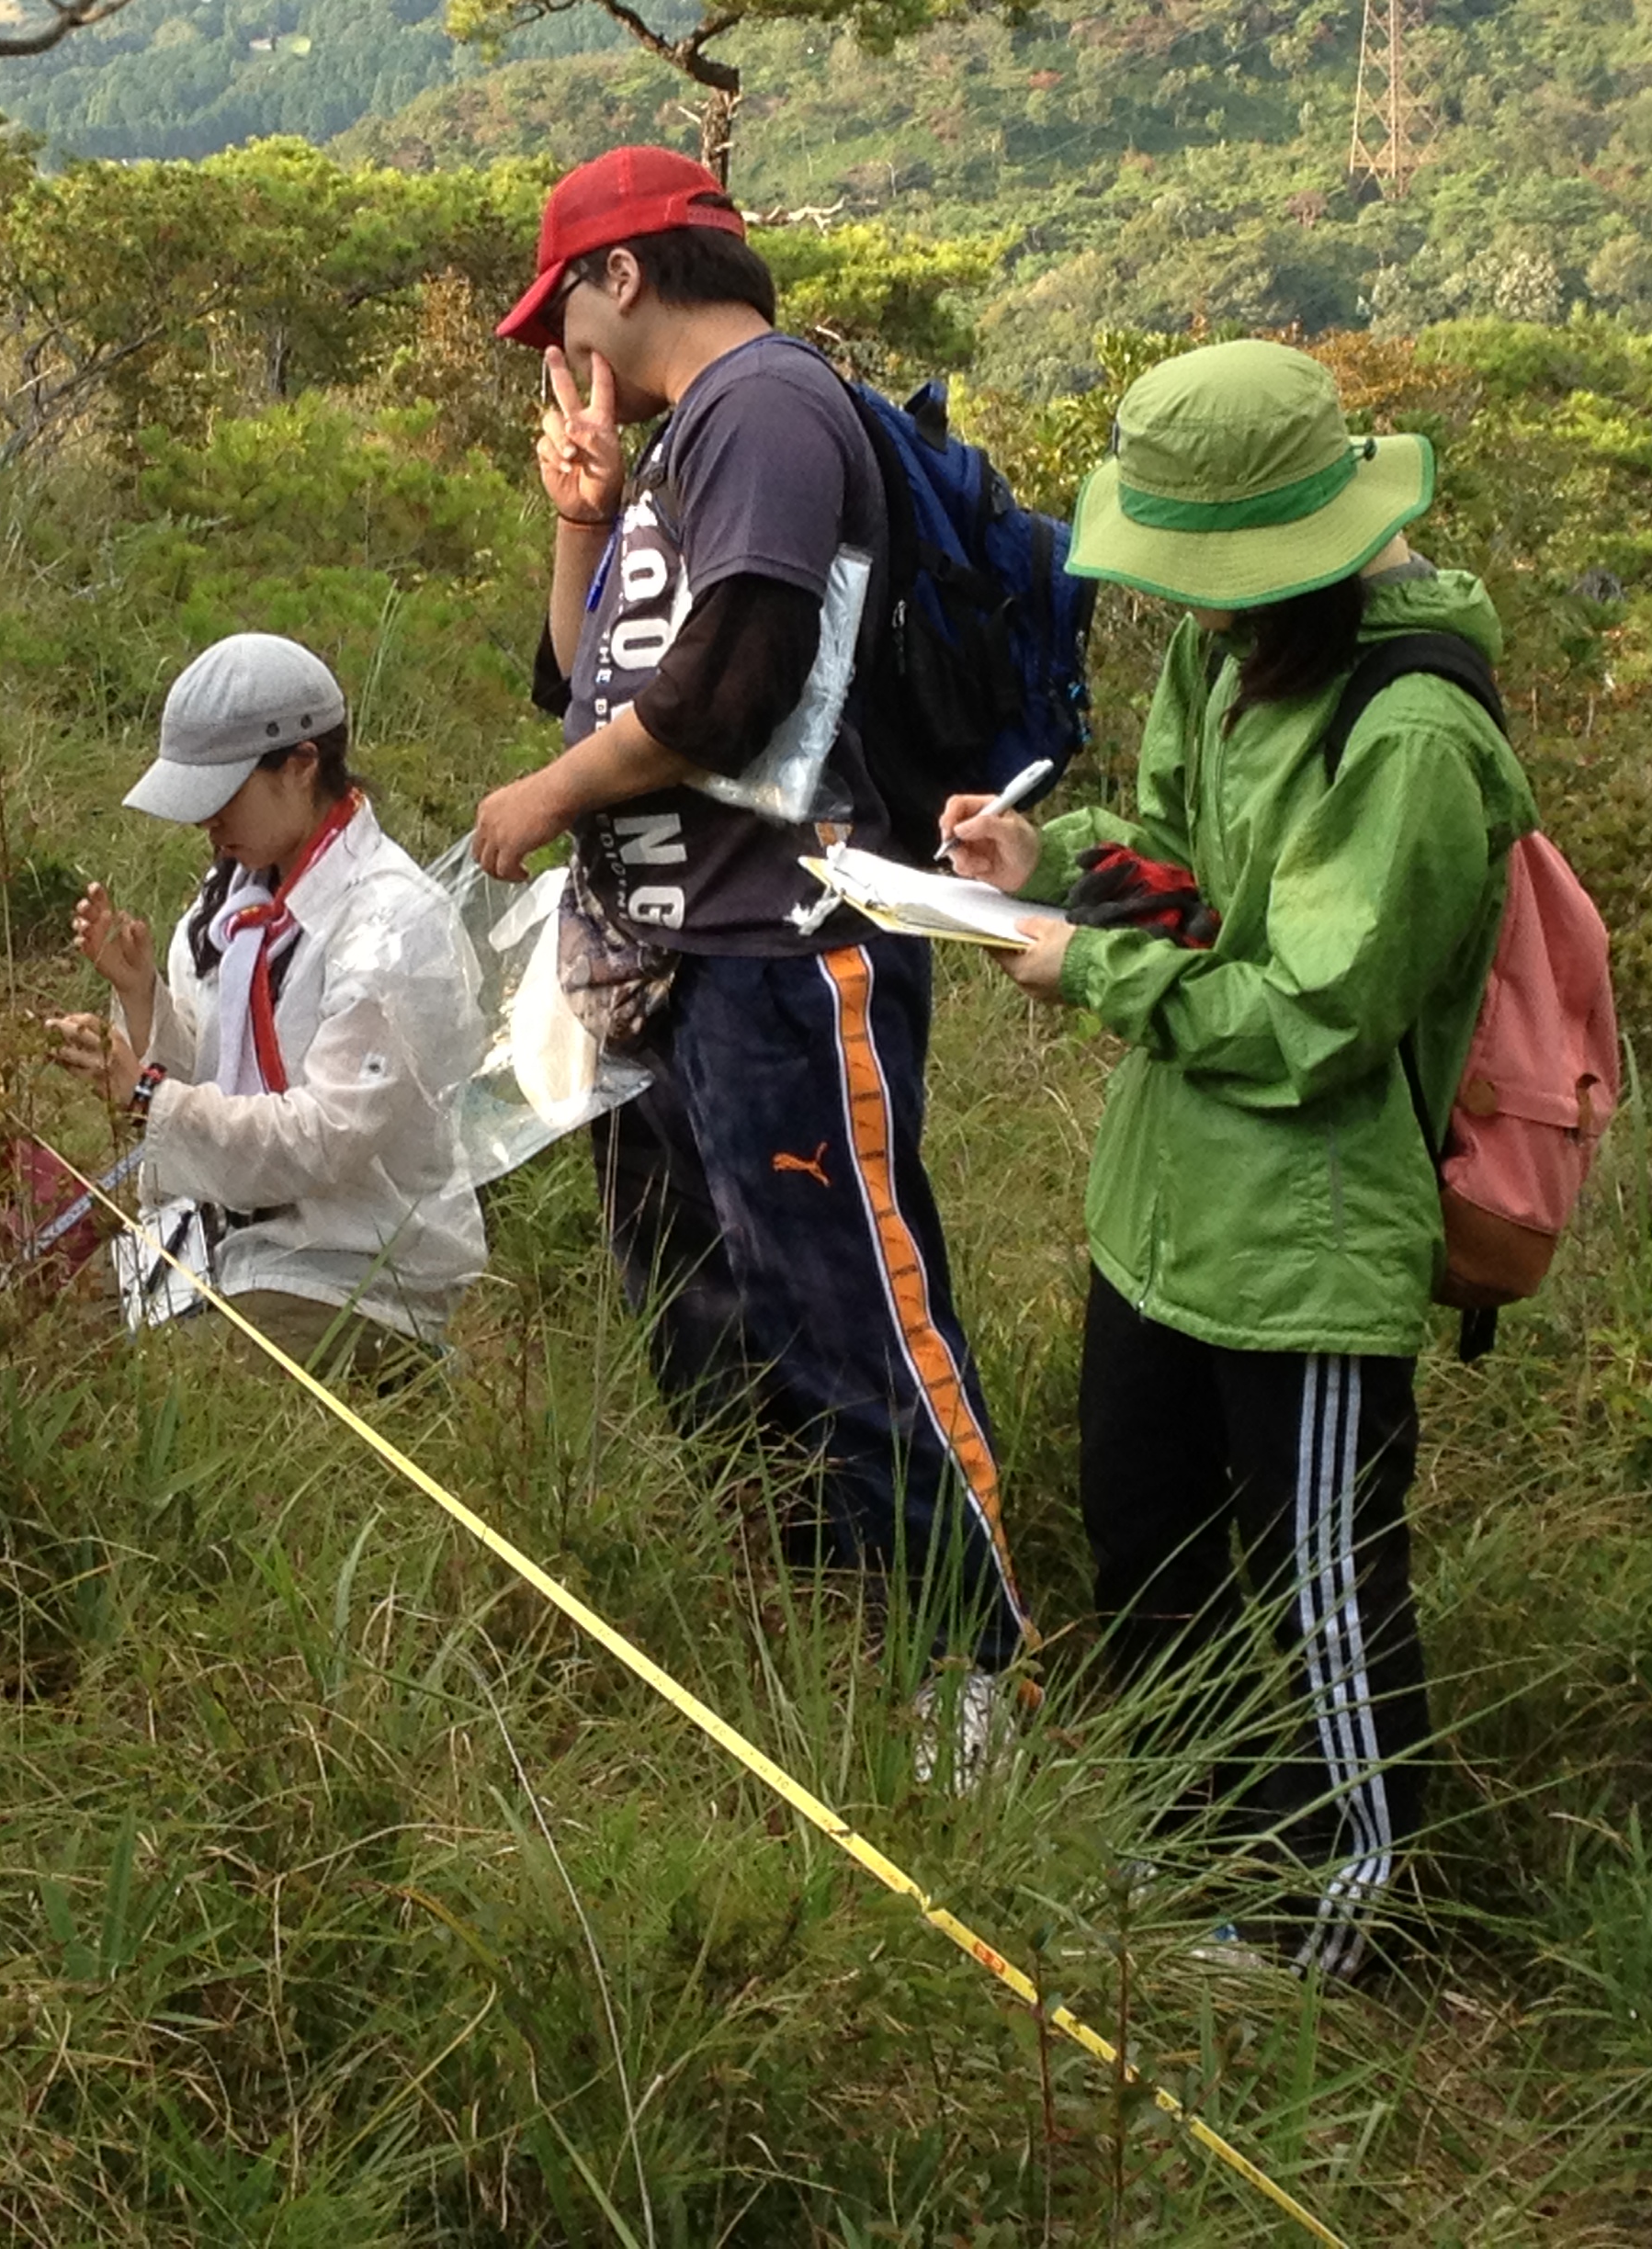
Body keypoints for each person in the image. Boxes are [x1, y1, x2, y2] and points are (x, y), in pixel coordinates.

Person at [941, 338, 1541, 1974]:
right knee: (1146, 1545)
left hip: (1307, 1244)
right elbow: (1178, 859)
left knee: (1319, 1594)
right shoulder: (1237, 656)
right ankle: (1189, 1851)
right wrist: (1040, 858)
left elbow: (1320, 1019)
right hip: (1161, 1207)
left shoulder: (1412, 731)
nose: (1192, 610)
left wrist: (1092, 972)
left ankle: (1338, 1930)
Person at [471, 145, 1032, 1771]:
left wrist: (544, 800)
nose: (559, 351)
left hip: (783, 952)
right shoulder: (683, 447)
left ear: (624, 273)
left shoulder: (770, 409)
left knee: (846, 1314)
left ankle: (967, 1679)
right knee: (707, 1315)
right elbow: (586, 678)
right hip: (669, 960)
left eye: (561, 313)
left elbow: (729, 690)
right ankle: (824, 1630)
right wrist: (580, 521)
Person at [53, 632, 487, 1377]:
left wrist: (148, 1096)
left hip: (355, 1265)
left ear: (301, 764)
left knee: (183, 1381)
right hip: (231, 1239)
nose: (207, 823)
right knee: (57, 1330)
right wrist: (141, 996)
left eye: (223, 795)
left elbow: (322, 1140)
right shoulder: (231, 899)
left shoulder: (393, 926)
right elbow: (216, 1077)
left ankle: (411, 1367)